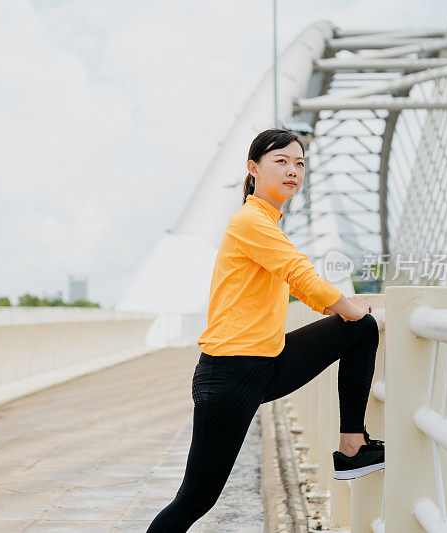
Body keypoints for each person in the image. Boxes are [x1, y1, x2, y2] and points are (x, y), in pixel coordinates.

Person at [147, 128, 383, 532]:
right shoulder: (249, 220)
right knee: (196, 499)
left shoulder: (268, 223)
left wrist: (349, 311)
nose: (293, 170)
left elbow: (296, 284)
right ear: (253, 169)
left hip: (267, 364)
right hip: (229, 375)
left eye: (300, 163)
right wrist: (347, 305)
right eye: (281, 161)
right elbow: (299, 273)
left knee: (361, 330)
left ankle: (351, 446)